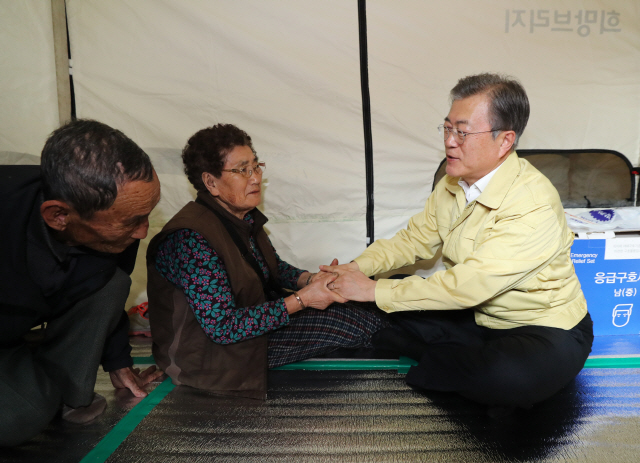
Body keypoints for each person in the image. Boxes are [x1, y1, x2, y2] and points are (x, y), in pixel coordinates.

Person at [323, 73, 594, 414]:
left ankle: (424, 352)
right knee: (387, 290)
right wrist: (355, 269)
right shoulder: (454, 182)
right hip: (478, 316)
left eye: (462, 132)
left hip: (542, 328)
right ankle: (449, 354)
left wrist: (371, 291)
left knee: (507, 378)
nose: (450, 142)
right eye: (447, 128)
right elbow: (414, 241)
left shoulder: (532, 201)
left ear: (504, 140)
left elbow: (468, 286)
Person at [147, 123, 386, 399]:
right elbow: (223, 327)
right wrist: (303, 300)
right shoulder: (191, 238)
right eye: (242, 170)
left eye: (256, 166)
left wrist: (311, 280)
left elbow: (272, 267)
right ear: (210, 182)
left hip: (253, 326)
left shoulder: (240, 216)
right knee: (353, 322)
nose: (255, 178)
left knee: (363, 301)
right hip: (213, 355)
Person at [0, 119, 164, 447]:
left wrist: (118, 361)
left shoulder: (116, 229)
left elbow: (110, 293)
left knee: (112, 283)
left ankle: (59, 389)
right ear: (59, 215)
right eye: (132, 221)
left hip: (14, 329)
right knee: (18, 417)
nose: (143, 232)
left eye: (148, 215)